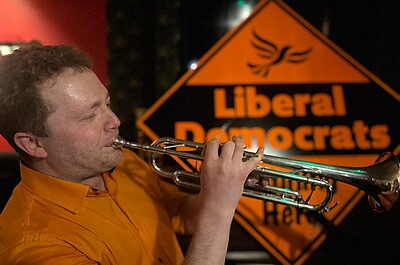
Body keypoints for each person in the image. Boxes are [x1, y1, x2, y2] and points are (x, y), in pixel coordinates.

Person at [0, 44, 263, 264]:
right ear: (33, 144)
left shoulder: (122, 162)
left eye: (107, 103)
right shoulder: (32, 246)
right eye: (89, 115)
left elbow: (182, 214)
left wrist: (225, 186)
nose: (114, 121)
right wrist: (218, 208)